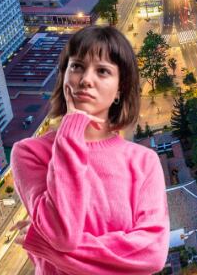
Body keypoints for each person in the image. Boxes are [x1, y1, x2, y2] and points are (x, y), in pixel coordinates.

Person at [10, 25, 170, 274]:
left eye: (103, 71)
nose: (86, 80)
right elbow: (64, 234)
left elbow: (151, 255)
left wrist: (44, 244)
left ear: (120, 89)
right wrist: (72, 125)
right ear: (64, 77)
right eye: (77, 67)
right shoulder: (29, 154)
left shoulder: (143, 162)